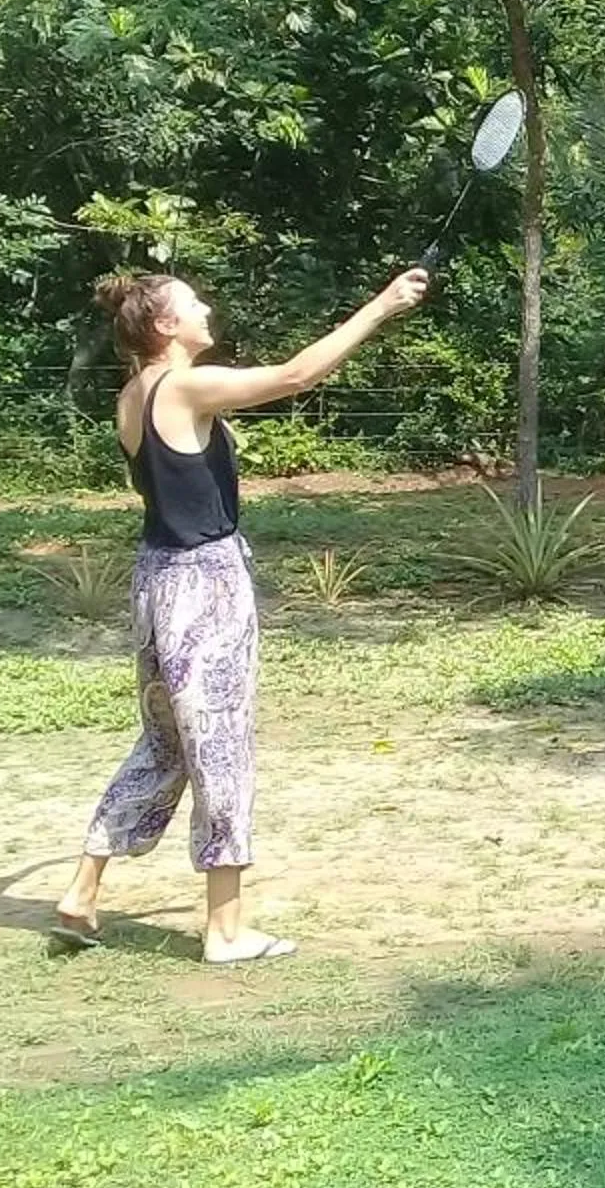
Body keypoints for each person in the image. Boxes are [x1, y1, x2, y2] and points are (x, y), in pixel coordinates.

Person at [52, 264, 427, 961]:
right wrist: (379, 306)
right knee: (219, 747)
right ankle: (225, 931)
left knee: (166, 744)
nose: (206, 312)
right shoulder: (186, 385)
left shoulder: (133, 396)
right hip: (205, 585)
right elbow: (293, 377)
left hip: (155, 580)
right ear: (165, 326)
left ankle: (81, 892)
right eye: (193, 306)